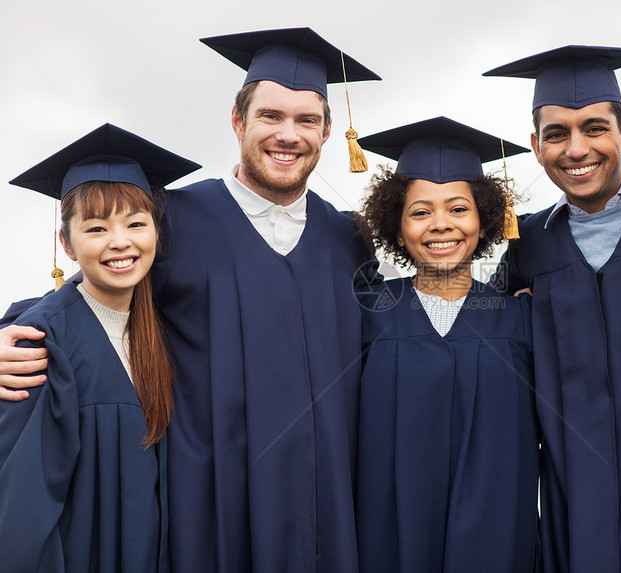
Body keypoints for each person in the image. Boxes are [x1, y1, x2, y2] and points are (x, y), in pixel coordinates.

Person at [0, 28, 381, 572]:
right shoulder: (175, 218)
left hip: (322, 502)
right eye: (270, 116)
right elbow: (97, 286)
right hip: (207, 501)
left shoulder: (346, 237)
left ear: (326, 132)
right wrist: (9, 329)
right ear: (237, 121)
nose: (288, 134)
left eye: (307, 120)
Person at [484, 46, 621, 572]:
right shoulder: (526, 242)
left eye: (594, 128)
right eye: (556, 133)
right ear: (536, 146)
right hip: (575, 493)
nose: (576, 148)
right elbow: (481, 333)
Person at [0, 124, 200, 572]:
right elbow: (21, 511)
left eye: (135, 223)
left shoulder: (161, 333)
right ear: (66, 244)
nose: (120, 242)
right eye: (96, 228)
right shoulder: (39, 343)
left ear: (155, 234)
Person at [354, 117, 539, 572]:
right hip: (385, 533)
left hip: (498, 533)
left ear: (486, 222)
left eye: (459, 209)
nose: (441, 225)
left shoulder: (521, 317)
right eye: (420, 212)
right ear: (397, 230)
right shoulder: (365, 316)